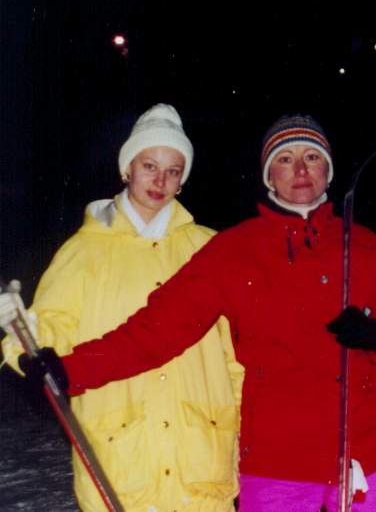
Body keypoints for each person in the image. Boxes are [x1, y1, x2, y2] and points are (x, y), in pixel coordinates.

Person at [14, 114, 376, 512]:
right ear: (268, 175)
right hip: (279, 463)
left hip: (368, 452)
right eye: (285, 158)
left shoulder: (365, 246)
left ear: (328, 172)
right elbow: (157, 330)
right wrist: (70, 370)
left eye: (312, 157)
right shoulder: (232, 251)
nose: (300, 169)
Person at [0, 103, 244, 511]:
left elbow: (236, 353)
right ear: (127, 168)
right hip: (120, 455)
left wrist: (245, 432)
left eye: (173, 171)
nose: (160, 180)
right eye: (149, 166)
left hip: (201, 457)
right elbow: (54, 328)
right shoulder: (84, 251)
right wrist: (23, 334)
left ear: (183, 180)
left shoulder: (208, 248)